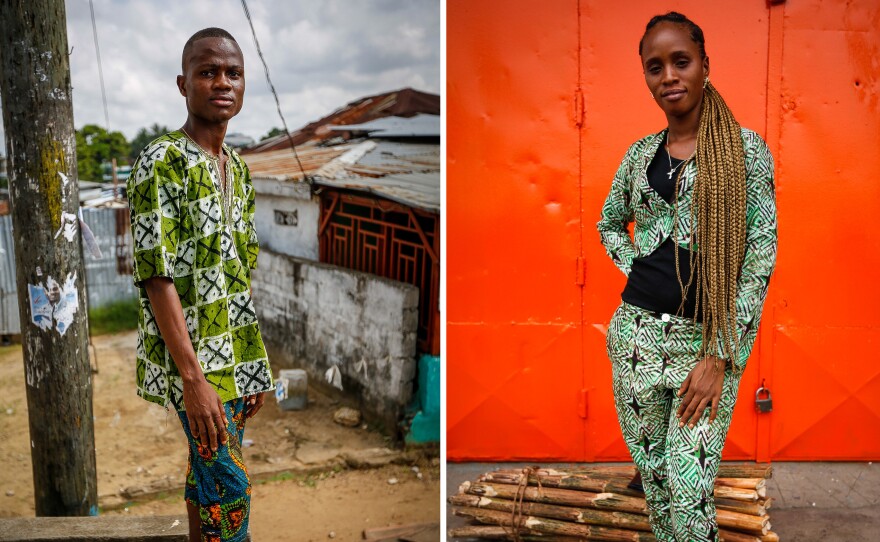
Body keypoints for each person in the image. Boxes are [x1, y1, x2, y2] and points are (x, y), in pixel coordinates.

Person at [597, 12, 777, 542]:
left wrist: (720, 355)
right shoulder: (638, 156)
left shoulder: (746, 153)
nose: (668, 76)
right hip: (633, 338)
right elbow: (609, 223)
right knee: (656, 490)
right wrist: (639, 266)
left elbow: (758, 261)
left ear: (704, 65)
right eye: (655, 67)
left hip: (703, 343)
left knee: (689, 492)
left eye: (681, 61)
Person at [127, 27, 274, 542]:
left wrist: (253, 364)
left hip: (234, 358)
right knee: (230, 491)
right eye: (207, 71)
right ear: (182, 83)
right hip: (194, 364)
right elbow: (155, 273)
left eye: (232, 72)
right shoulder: (160, 160)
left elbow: (237, 273)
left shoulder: (238, 167)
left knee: (206, 477)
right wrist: (194, 379)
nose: (222, 82)